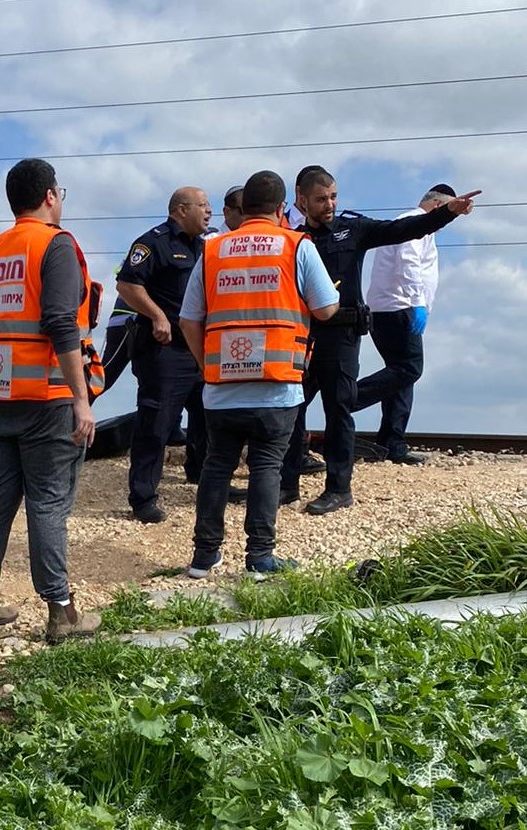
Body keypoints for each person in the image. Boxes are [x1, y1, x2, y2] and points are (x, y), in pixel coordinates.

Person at [0, 158, 103, 644]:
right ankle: (61, 612)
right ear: (49, 196)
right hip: (47, 397)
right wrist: (82, 401)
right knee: (48, 501)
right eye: (61, 192)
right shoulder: (55, 245)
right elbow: (61, 323)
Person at [281, 170, 479, 514]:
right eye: (320, 199)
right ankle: (286, 486)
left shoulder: (352, 229)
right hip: (302, 336)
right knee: (291, 408)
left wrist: (447, 213)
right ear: (301, 199)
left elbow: (402, 230)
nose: (329, 205)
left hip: (342, 336)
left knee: (339, 410)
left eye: (333, 197)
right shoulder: (292, 238)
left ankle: (339, 489)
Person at [179, 171, 340, 578]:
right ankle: (260, 558)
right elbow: (325, 308)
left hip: (222, 386)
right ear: (284, 208)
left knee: (217, 464)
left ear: (243, 206)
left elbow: (187, 319)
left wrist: (206, 365)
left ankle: (204, 557)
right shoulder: (295, 245)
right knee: (267, 467)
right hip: (277, 384)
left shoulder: (213, 249)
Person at [117, 187, 212, 522]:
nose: (209, 211)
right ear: (180, 210)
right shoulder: (152, 243)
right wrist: (157, 315)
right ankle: (143, 499)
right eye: (203, 205)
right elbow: (127, 285)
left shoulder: (206, 245)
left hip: (201, 347)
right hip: (165, 350)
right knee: (155, 424)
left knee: (208, 419)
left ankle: (202, 477)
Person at [355, 184, 457, 465]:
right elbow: (408, 264)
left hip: (394, 308)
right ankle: (347, 400)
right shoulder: (413, 224)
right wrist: (417, 303)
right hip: (398, 307)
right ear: (438, 206)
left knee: (401, 375)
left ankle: (392, 443)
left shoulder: (413, 224)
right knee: (409, 368)